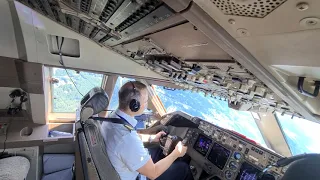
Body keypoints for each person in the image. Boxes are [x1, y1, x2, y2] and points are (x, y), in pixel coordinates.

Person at [101, 81, 193, 180]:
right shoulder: (126, 138)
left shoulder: (113, 118)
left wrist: (151, 138)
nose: (146, 104)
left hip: (125, 165)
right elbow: (153, 173)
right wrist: (176, 153)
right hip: (139, 176)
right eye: (145, 101)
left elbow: (131, 137)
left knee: (159, 150)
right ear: (134, 105)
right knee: (183, 168)